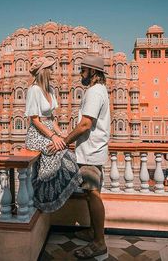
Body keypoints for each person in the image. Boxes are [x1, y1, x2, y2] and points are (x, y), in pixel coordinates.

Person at [48, 54, 110, 259]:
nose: (80, 73)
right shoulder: (100, 91)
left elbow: (85, 124)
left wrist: (64, 141)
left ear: (93, 71)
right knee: (89, 193)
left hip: (91, 153)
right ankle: (94, 232)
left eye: (83, 70)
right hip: (92, 151)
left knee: (93, 195)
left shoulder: (94, 92)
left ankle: (99, 242)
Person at [24, 56, 82, 213]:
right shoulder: (34, 90)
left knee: (66, 151)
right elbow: (35, 120)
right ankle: (42, 197)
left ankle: (56, 193)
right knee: (57, 151)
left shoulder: (50, 90)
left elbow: (50, 118)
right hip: (37, 134)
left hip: (49, 130)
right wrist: (53, 137)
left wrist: (60, 133)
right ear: (43, 71)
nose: (52, 71)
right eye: (50, 68)